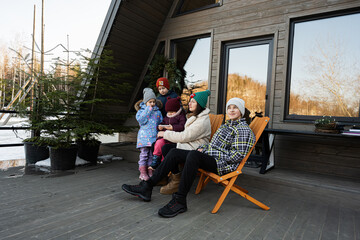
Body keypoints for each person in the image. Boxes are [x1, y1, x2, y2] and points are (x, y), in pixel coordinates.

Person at [122, 97, 256, 218]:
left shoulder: (243, 130)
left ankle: (180, 200)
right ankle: (147, 186)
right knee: (174, 152)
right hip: (211, 157)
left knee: (193, 155)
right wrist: (203, 149)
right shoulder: (225, 126)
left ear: (242, 111)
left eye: (235, 108)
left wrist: (207, 153)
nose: (232, 110)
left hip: (223, 165)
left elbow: (236, 156)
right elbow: (212, 146)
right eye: (229, 108)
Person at [156, 90, 212, 194]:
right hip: (188, 145)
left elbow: (185, 136)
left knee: (172, 151)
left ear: (199, 104)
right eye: (190, 101)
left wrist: (165, 133)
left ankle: (173, 182)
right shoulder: (194, 116)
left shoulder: (202, 121)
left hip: (195, 150)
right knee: (166, 148)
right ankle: (174, 178)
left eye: (193, 102)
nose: (189, 103)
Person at [149, 96, 186, 170]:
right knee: (159, 142)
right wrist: (159, 127)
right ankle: (156, 159)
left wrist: (172, 127)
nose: (171, 114)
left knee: (165, 149)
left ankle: (163, 163)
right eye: (169, 112)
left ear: (177, 110)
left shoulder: (181, 116)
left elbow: (182, 126)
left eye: (172, 112)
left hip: (173, 139)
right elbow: (162, 123)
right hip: (164, 138)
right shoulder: (166, 117)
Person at [135, 88, 163, 181]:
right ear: (145, 102)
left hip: (153, 137)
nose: (152, 104)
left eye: (153, 102)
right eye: (150, 102)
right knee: (144, 155)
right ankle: (143, 173)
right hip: (143, 137)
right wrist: (148, 110)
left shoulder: (157, 112)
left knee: (151, 155)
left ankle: (150, 171)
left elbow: (160, 122)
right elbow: (141, 121)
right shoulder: (141, 111)